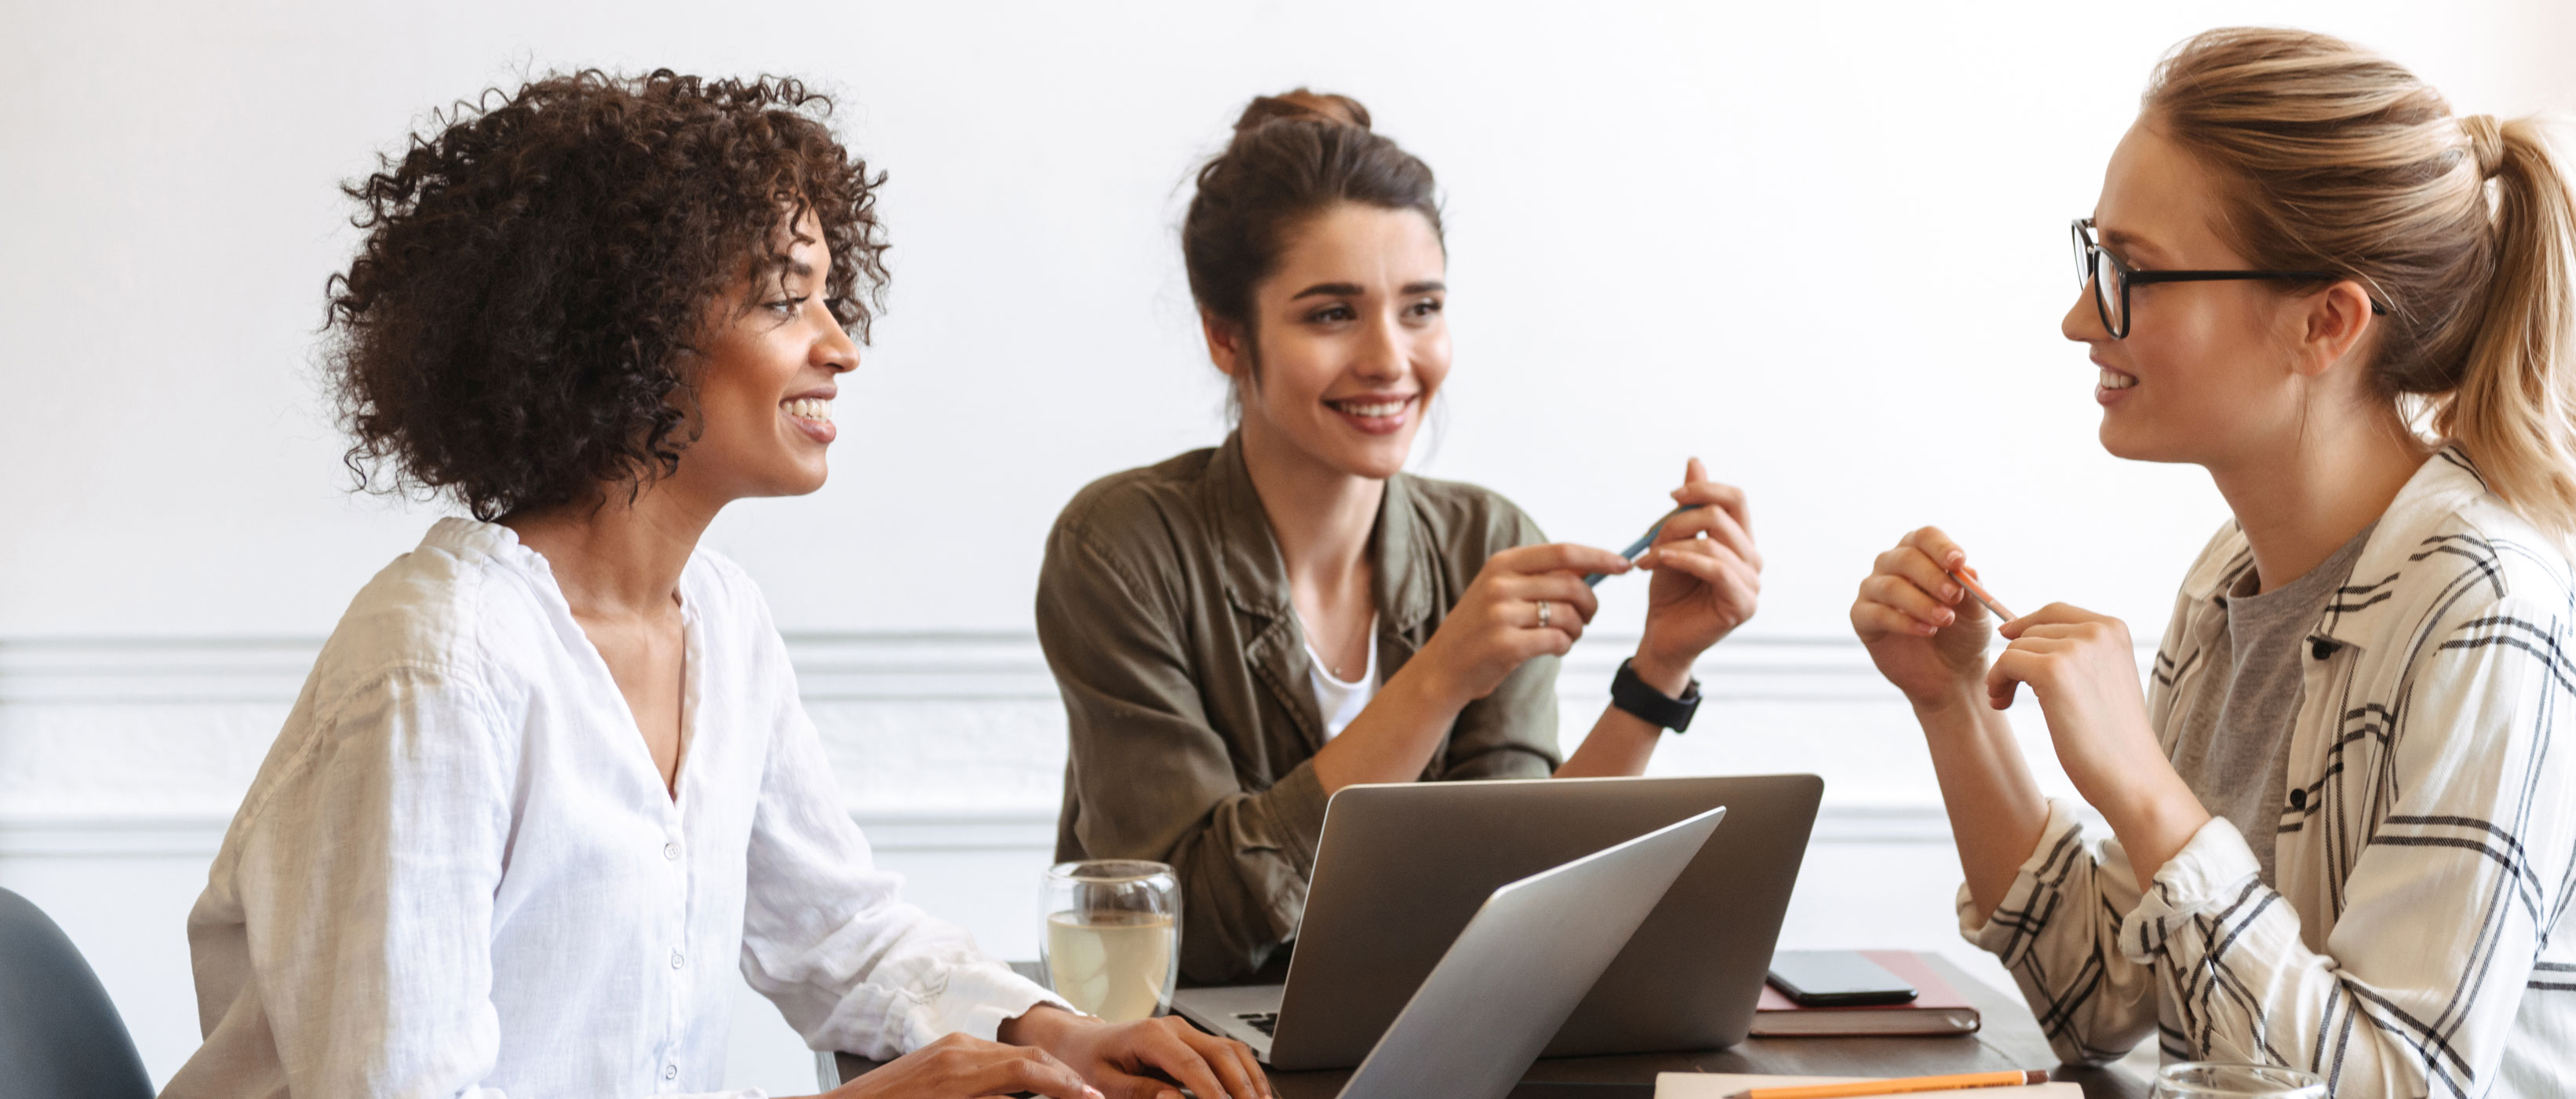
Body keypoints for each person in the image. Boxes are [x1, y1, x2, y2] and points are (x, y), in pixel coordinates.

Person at [163, 71, 1263, 1099]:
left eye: (834, 298)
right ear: (622, 338)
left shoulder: (721, 623)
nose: (842, 348)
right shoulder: (438, 667)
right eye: (787, 302)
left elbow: (837, 932)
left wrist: (1055, 1028)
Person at [1847, 29, 2576, 1095]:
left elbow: (2393, 1081)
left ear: (2326, 322)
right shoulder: (2234, 577)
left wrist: (2147, 794)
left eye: (2131, 273)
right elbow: (2100, 998)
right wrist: (1953, 703)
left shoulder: (2488, 616)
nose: (2076, 318)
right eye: (2094, 259)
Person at [1038, 90, 1765, 984]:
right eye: (1332, 314)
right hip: (1188, 1056)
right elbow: (1191, 924)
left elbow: (1522, 887)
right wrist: (1438, 675)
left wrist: (1659, 672)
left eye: (1420, 308)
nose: (1391, 359)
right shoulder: (1121, 548)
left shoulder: (1486, 539)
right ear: (1228, 337)